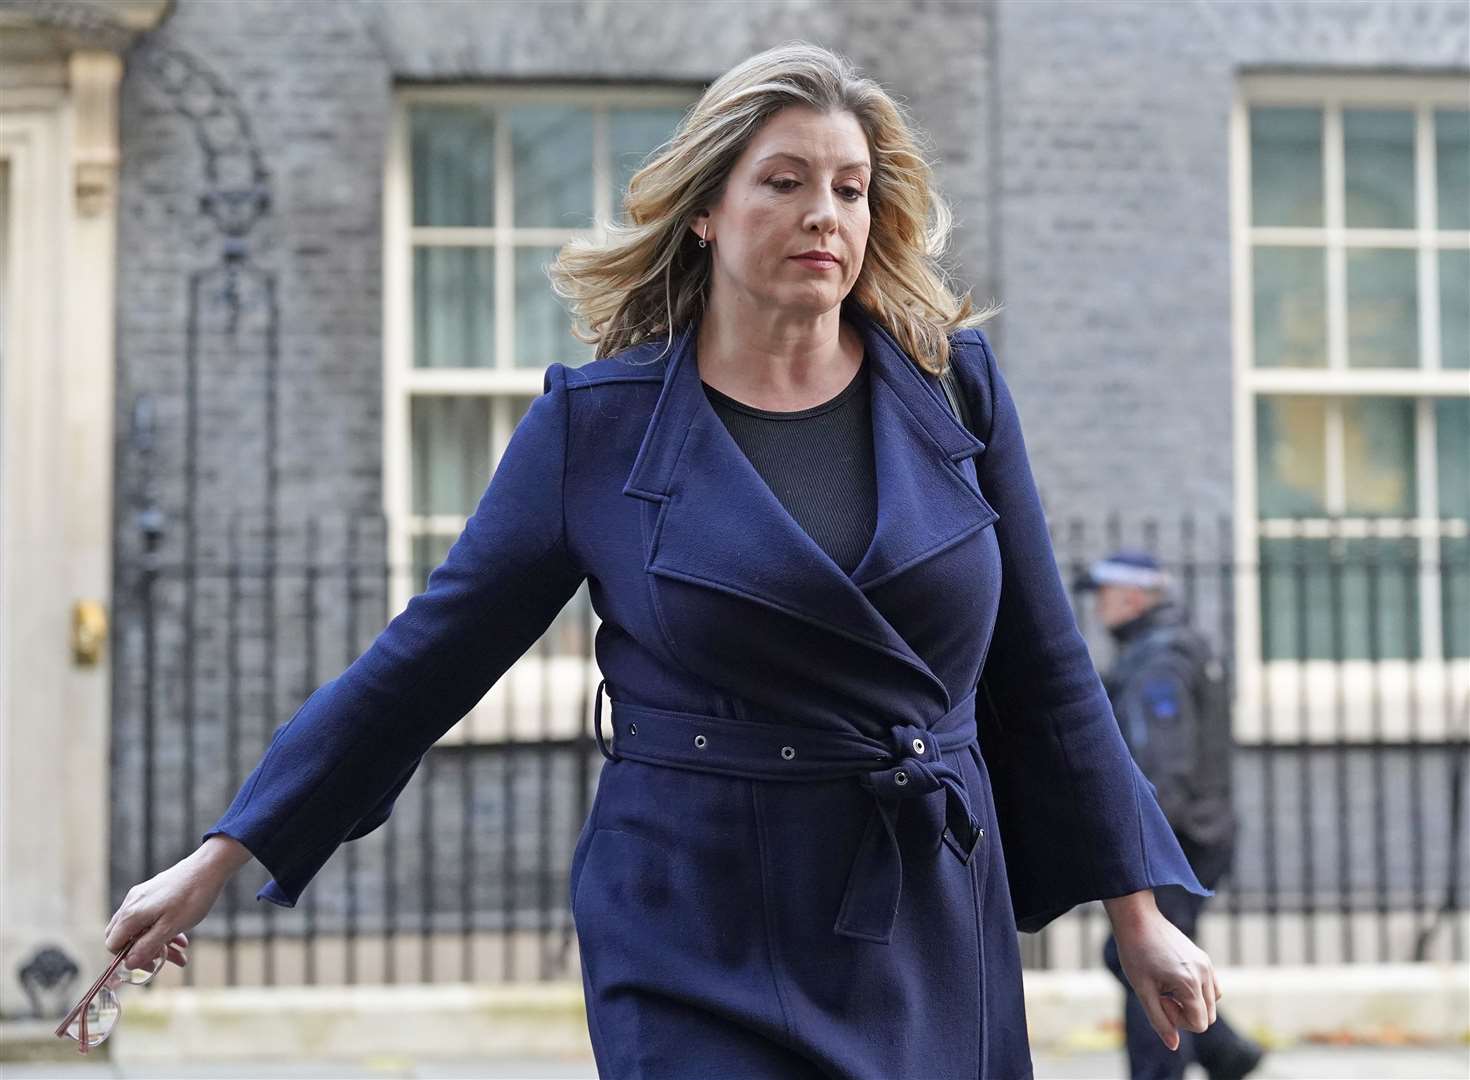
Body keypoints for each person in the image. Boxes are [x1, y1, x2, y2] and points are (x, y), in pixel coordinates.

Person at [104, 42, 1225, 1079]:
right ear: (706, 210)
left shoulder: (955, 389)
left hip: (920, 912)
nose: (822, 213)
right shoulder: (595, 428)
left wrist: (1139, 916)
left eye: (847, 187)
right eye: (783, 181)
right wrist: (221, 855)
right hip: (696, 912)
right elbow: (426, 662)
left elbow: (1048, 671)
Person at [1078, 550, 1265, 1080]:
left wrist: (1144, 849)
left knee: (1146, 960)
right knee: (1138, 956)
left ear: (1132, 597)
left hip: (1177, 840)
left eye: (1105, 594)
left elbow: (1162, 764)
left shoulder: (1158, 659)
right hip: (1197, 835)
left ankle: (1177, 1068)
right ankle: (1225, 1051)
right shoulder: (1173, 647)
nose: (1100, 606)